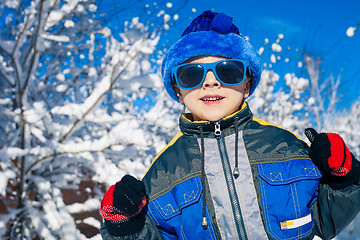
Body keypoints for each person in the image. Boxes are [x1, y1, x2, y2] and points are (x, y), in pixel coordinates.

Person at [99, 10, 360, 240]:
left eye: (228, 71)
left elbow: (327, 220)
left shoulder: (285, 147)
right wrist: (126, 228)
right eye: (191, 74)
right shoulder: (164, 172)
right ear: (178, 91)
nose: (211, 82)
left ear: (247, 84)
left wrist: (344, 177)